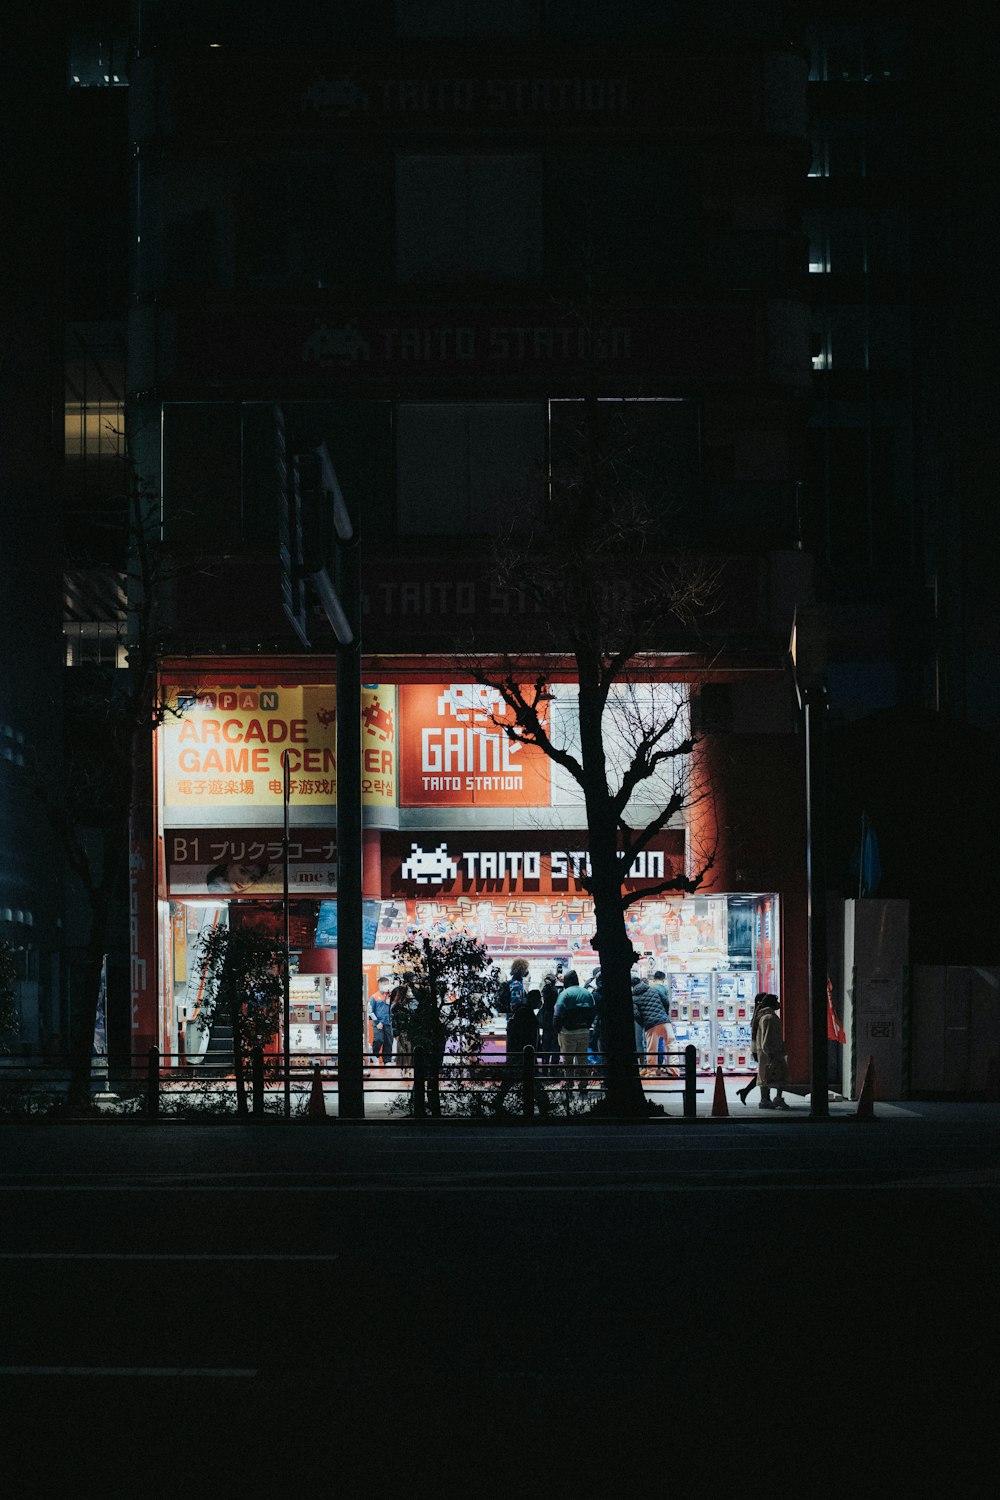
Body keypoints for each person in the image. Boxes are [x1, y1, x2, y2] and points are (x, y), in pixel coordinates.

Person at [493, 989, 550, 1115]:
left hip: (520, 1052)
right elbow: (527, 1034)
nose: (540, 1002)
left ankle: (543, 1103)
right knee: (527, 1079)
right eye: (538, 999)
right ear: (533, 1000)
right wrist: (535, 1049)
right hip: (523, 1053)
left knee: (515, 1079)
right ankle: (543, 1104)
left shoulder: (521, 1010)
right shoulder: (526, 1012)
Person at [553, 969, 596, 1094]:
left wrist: (557, 1029)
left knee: (568, 1059)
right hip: (584, 1031)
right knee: (582, 1058)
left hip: (567, 1032)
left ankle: (569, 1082)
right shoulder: (587, 993)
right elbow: (593, 1012)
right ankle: (583, 1083)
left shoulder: (565, 993)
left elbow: (557, 1014)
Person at [751, 992, 790, 1110]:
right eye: (777, 1001)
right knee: (779, 1075)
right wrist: (772, 1053)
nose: (779, 1004)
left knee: (765, 1076)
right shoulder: (769, 1018)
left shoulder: (764, 1016)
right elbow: (767, 1039)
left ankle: (766, 1099)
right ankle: (775, 1098)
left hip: (765, 1053)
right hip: (771, 1052)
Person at [631, 971, 673, 1078]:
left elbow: (636, 1014)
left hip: (650, 1025)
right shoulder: (653, 989)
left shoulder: (634, 997)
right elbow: (666, 1001)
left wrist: (644, 1023)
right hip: (664, 1021)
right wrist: (664, 1013)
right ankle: (674, 1070)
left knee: (651, 1049)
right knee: (671, 1045)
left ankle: (652, 1071)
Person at [390, 973, 416, 1073]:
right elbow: (393, 1017)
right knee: (403, 1049)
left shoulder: (415, 993)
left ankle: (408, 1069)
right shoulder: (399, 994)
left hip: (411, 1028)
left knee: (410, 1048)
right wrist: (395, 1032)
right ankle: (405, 1069)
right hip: (402, 1028)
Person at [368, 975, 394, 1067]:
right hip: (378, 1023)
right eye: (384, 984)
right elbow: (370, 1011)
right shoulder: (374, 997)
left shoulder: (391, 996)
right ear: (379, 985)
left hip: (388, 1022)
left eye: (388, 984)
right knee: (379, 1039)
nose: (386, 986)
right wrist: (376, 1022)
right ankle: (374, 1055)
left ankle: (387, 1060)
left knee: (389, 1041)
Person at [538, 970, 559, 1074]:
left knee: (545, 1046)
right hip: (554, 1019)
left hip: (546, 1020)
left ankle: (545, 1069)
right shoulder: (555, 991)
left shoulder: (545, 990)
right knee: (555, 1045)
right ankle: (553, 1071)